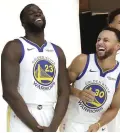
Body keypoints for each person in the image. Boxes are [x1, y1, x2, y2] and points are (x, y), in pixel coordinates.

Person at [60, 27, 120, 132]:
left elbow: (114, 108)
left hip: (98, 127)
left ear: (117, 46)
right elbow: (60, 86)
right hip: (73, 123)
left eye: (105, 40)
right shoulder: (82, 61)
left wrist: (98, 124)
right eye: (98, 40)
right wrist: (78, 93)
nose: (99, 43)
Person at [1, 4, 70, 132]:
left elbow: (64, 92)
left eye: (39, 12)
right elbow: (9, 93)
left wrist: (53, 126)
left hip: (49, 114)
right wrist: (35, 127)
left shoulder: (57, 51)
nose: (37, 14)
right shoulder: (14, 47)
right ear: (23, 22)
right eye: (31, 13)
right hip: (22, 115)